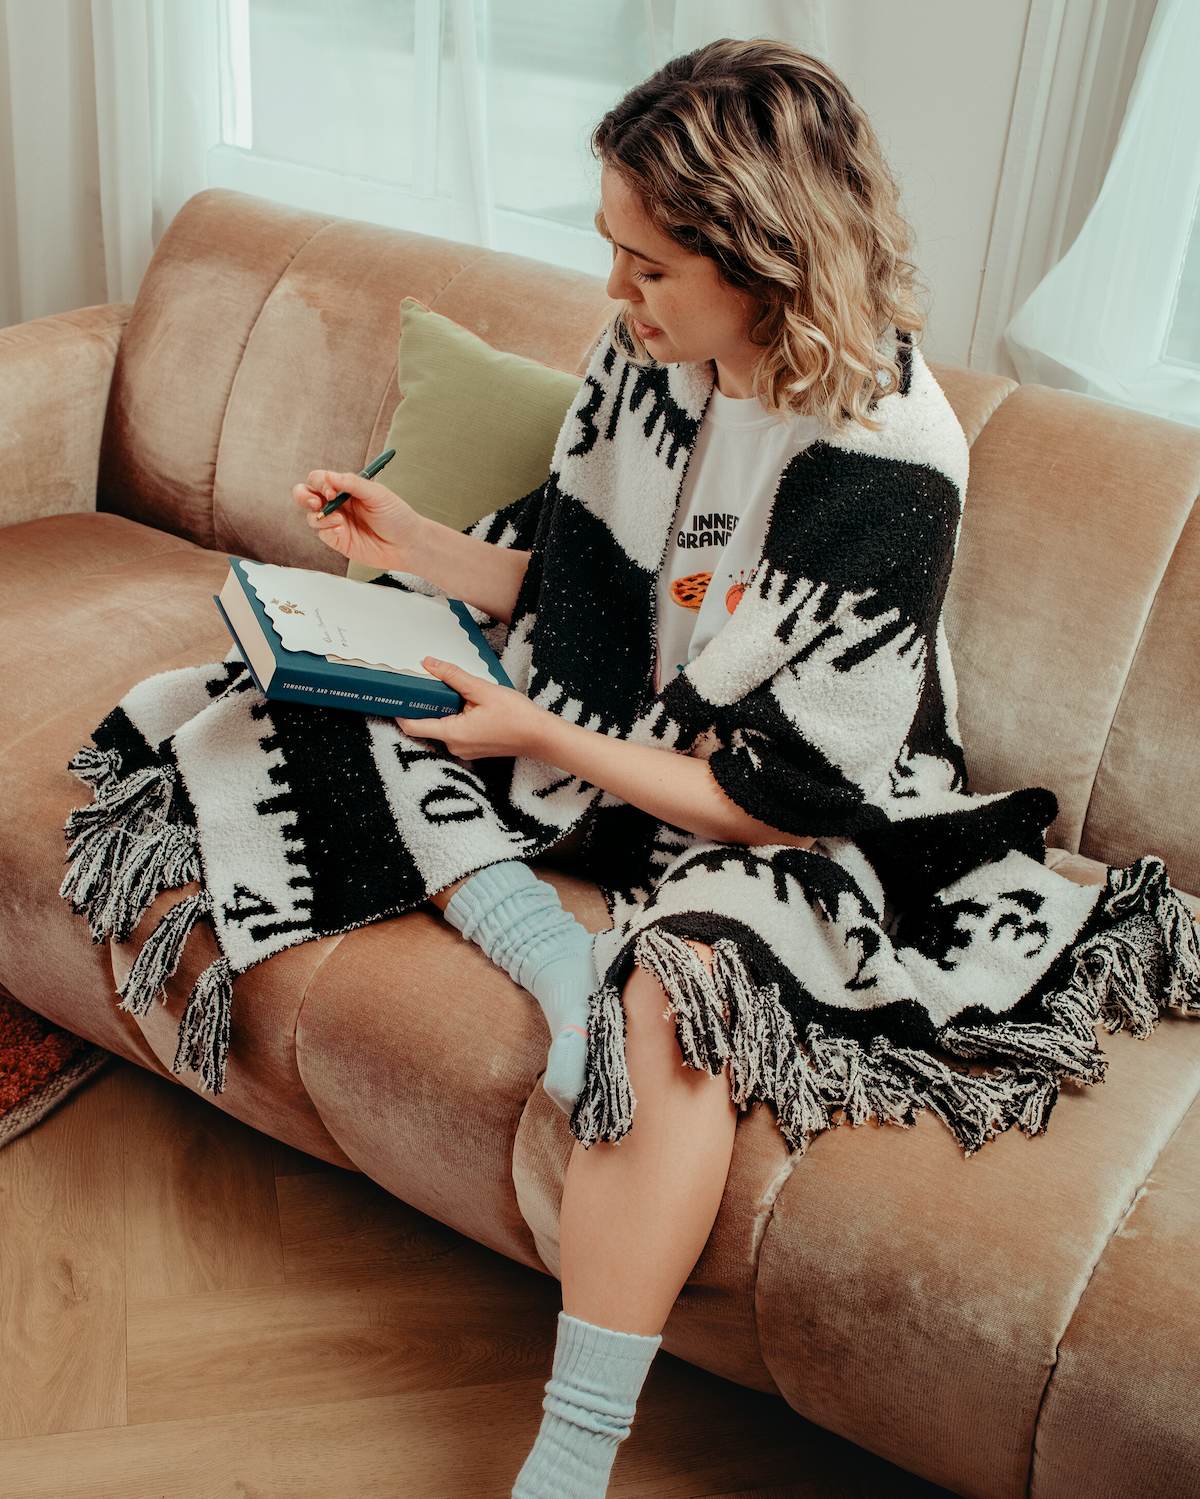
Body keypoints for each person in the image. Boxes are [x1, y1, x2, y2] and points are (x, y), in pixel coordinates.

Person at [288, 38, 955, 1499]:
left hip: (799, 811)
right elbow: (586, 598)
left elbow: (787, 795)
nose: (615, 292)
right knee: (315, 704)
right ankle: (556, 961)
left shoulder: (891, 458)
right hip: (613, 736)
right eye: (612, 250)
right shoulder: (647, 364)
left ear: (769, 263)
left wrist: (535, 737)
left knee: (675, 1004)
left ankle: (572, 1456)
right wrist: (415, 548)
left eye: (648, 265)